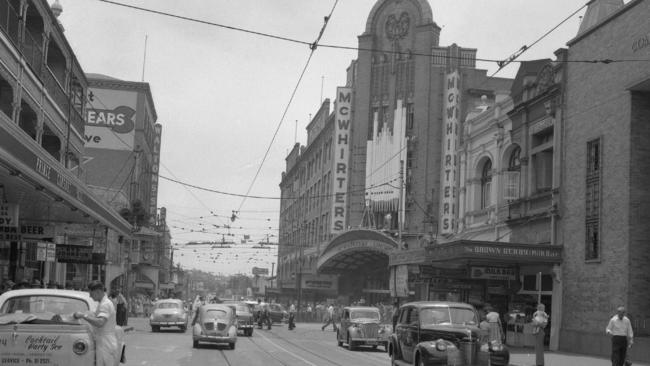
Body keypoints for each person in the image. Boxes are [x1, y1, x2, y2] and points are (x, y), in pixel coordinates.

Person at [73, 281, 118, 366]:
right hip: (104, 340)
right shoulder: (102, 303)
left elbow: (100, 322)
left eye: (91, 293)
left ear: (98, 291)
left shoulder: (105, 304)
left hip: (106, 341)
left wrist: (84, 316)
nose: (90, 296)